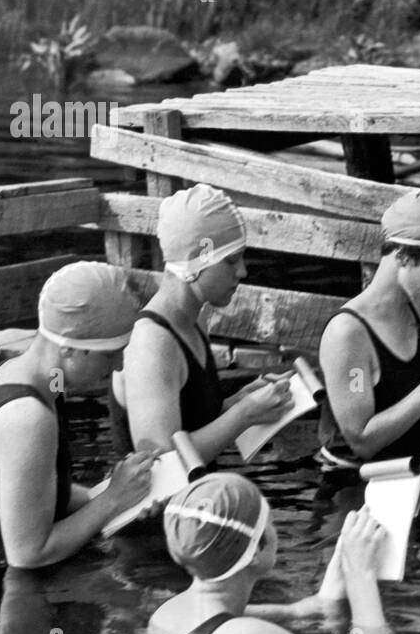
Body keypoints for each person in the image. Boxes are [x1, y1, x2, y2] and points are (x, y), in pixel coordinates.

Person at [0, 261, 158, 568]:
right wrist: (111, 500)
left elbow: (37, 491)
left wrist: (122, 494)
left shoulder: (31, 377)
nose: (118, 367)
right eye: (110, 354)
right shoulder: (26, 418)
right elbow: (28, 555)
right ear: (69, 349)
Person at [110, 183, 292, 464]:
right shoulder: (151, 342)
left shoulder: (195, 320)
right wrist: (243, 416)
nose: (242, 271)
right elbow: (162, 465)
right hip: (159, 507)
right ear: (197, 262)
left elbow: (190, 423)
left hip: (197, 497)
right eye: (231, 261)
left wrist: (239, 402)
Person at [147, 472, 392, 634]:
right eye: (270, 521)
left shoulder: (171, 612)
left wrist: (344, 562)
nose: (276, 532)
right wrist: (362, 576)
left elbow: (299, 611)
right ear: (254, 551)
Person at [316, 190, 420, 474]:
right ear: (402, 256)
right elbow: (361, 441)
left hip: (407, 476)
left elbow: (410, 397)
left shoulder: (416, 308)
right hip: (353, 490)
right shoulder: (347, 334)